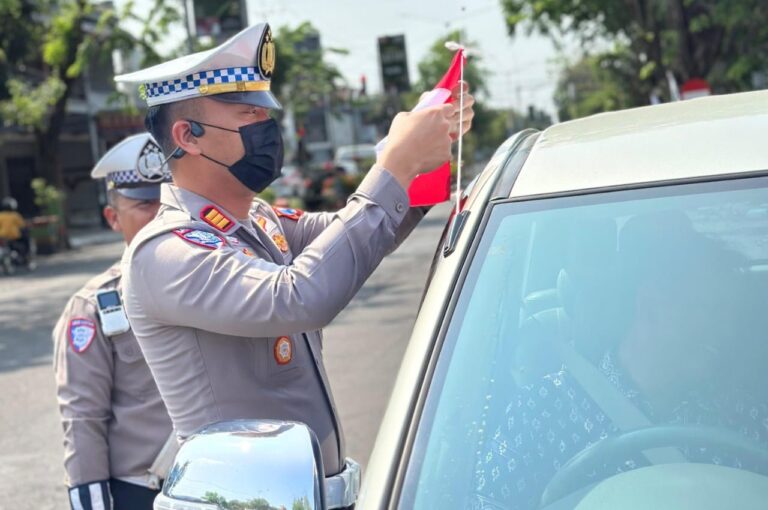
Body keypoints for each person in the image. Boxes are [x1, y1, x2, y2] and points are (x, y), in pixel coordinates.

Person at [114, 21, 475, 483]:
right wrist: (396, 164)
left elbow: (359, 234)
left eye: (266, 113)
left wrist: (418, 155)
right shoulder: (165, 252)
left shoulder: (258, 219)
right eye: (247, 113)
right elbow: (299, 296)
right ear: (188, 136)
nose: (267, 127)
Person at [474, 211, 767, 509]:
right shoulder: (542, 412)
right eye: (711, 310)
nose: (728, 330)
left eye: (731, 315)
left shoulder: (742, 416)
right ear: (650, 303)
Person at [52, 133, 175, 510]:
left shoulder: (214, 281)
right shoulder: (92, 307)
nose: (160, 216)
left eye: (168, 202)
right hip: (144, 493)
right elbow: (82, 418)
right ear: (112, 217)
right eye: (144, 205)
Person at [0, 196, 31, 266]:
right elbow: (22, 226)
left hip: (2, 237)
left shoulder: (0, 216)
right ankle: (25, 257)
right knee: (25, 242)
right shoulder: (15, 216)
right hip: (14, 237)